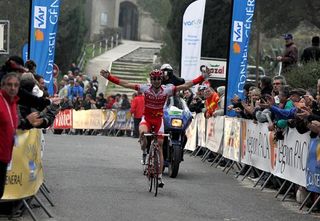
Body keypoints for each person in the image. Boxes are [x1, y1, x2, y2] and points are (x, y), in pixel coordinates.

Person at [100, 68, 209, 187]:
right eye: (154, 79)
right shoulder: (145, 88)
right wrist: (109, 77)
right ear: (151, 80)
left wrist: (202, 77)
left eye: (158, 79)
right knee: (143, 134)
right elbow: (125, 84)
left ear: (161, 79)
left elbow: (186, 85)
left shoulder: (167, 90)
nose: (156, 81)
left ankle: (159, 176)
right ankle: (145, 152)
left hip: (158, 121)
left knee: (160, 146)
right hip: (146, 119)